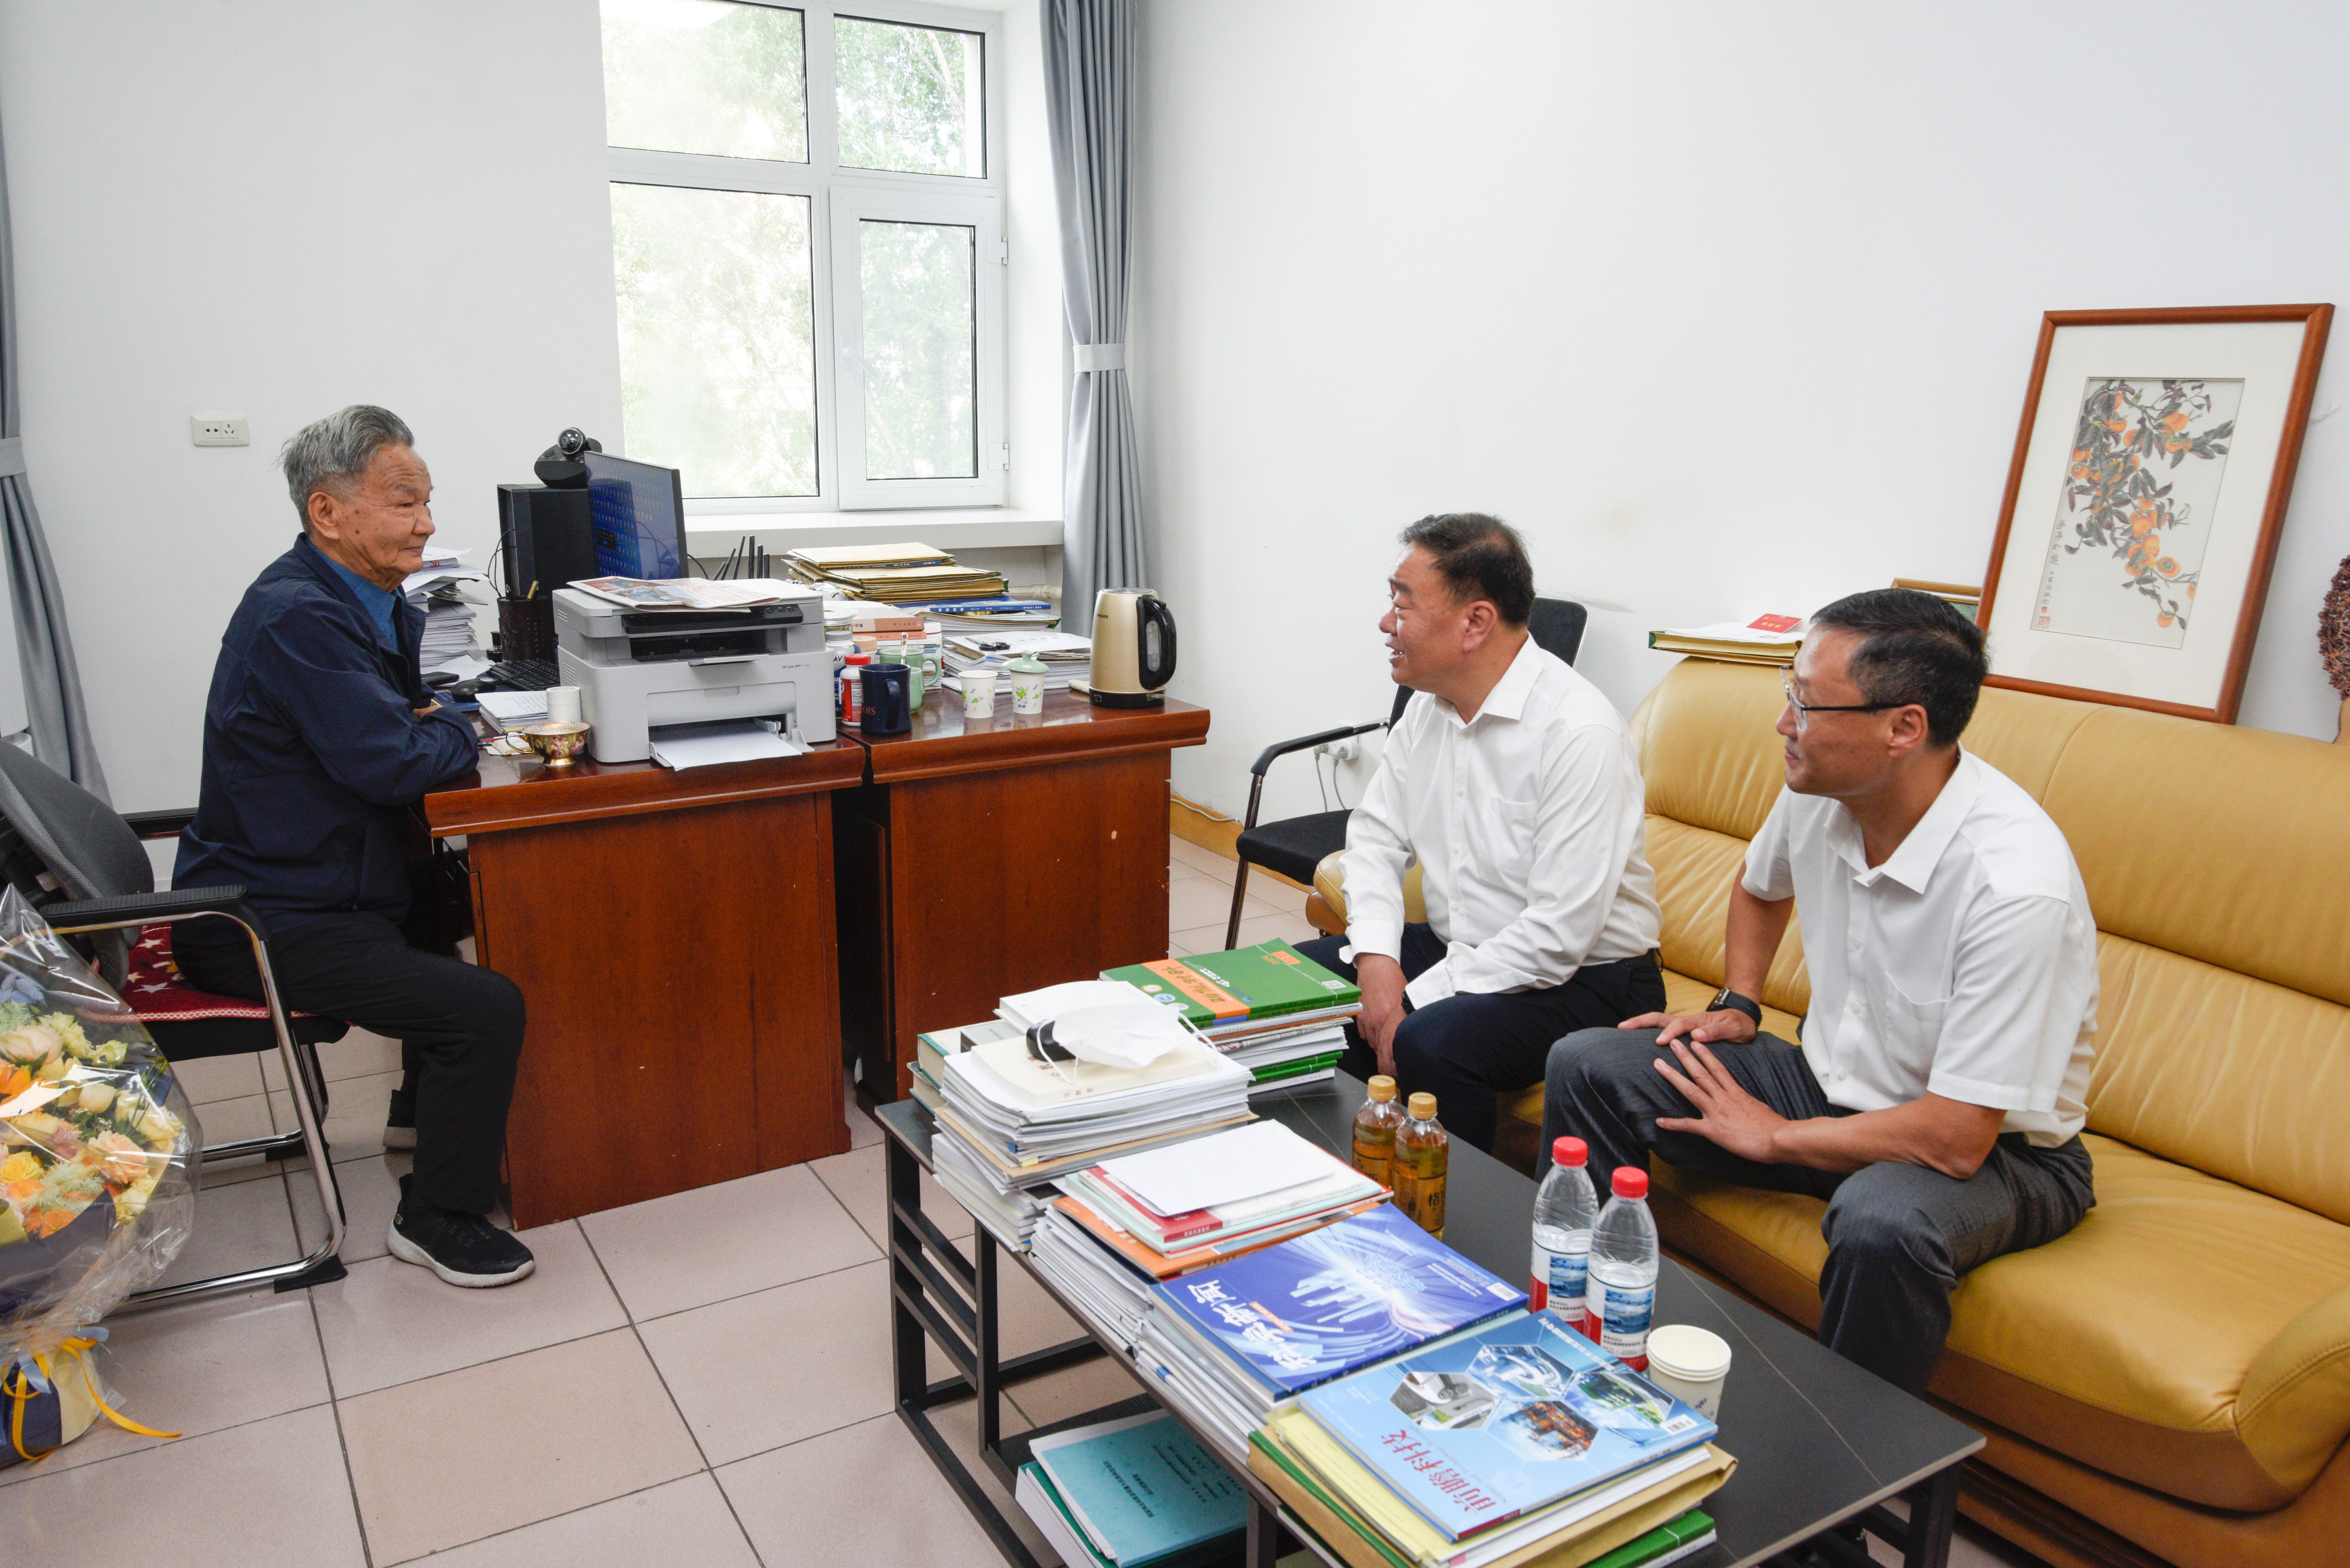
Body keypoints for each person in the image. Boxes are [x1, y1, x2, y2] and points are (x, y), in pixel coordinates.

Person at [1541, 589, 2098, 1393]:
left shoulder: (2015, 888)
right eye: (1789, 692)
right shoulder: (1825, 790)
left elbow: (1956, 1138)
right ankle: (1577, 1352)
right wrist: (1739, 1003)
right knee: (1591, 1062)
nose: (1784, 722)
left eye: (1805, 702)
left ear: (1903, 728)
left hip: (1996, 1156)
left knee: (1883, 1222)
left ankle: (1846, 1464)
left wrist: (1775, 1137)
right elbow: (1758, 886)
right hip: (1829, 1087)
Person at [173, 405, 534, 1288]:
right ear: (327, 513)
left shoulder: (356, 597)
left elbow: (402, 730)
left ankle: (419, 1113)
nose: (427, 523)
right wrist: (456, 726)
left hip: (321, 879)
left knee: (461, 900)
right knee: (486, 1005)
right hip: (261, 918)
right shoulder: (298, 616)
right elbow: (393, 758)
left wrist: (429, 725)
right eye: (405, 502)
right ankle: (437, 1215)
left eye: (426, 501)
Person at [1296, 514, 1666, 1153]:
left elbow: (1557, 936)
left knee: (1430, 1039)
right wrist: (1378, 962)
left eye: (1402, 606)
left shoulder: (1579, 733)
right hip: (1461, 946)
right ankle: (1337, 1172)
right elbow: (1375, 841)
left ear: (1475, 622)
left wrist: (1412, 997)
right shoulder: (1427, 711)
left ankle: (1446, 1207)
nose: (1386, 623)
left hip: (1585, 979)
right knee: (1299, 988)